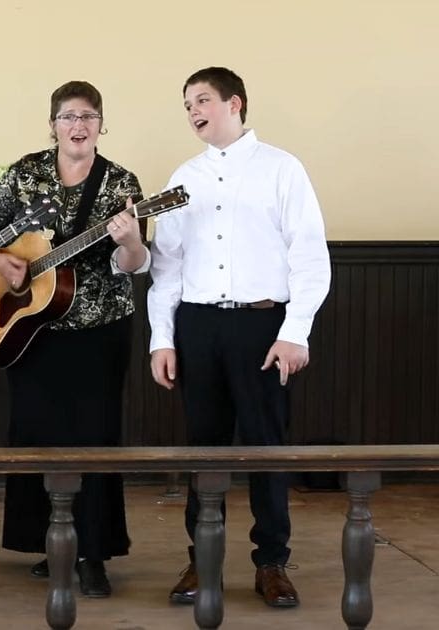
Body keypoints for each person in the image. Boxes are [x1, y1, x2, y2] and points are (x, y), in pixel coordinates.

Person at [148, 66, 331, 608]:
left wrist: (295, 331)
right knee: (202, 449)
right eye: (186, 105)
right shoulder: (183, 177)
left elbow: (309, 256)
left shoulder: (282, 169)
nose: (193, 112)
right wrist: (163, 337)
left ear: (235, 103)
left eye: (202, 100)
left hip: (261, 325)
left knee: (267, 448)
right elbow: (167, 267)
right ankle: (201, 561)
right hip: (198, 326)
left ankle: (271, 562)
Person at [0, 81, 148, 597]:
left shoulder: (120, 183)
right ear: (53, 125)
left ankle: (92, 553)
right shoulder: (26, 173)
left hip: (97, 330)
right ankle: (47, 543)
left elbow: (131, 265)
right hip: (30, 331)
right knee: (36, 434)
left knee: (95, 438)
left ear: (101, 125)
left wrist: (130, 241)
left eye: (89, 117)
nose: (78, 126)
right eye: (68, 117)